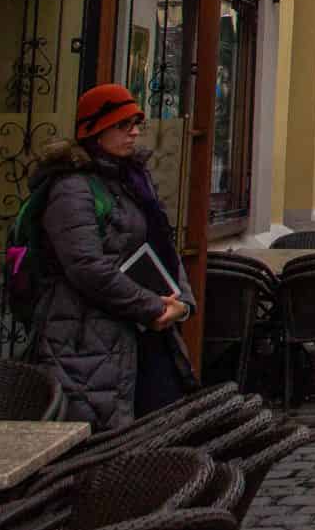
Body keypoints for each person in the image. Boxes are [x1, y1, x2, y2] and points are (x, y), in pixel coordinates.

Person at [22, 84, 195, 431]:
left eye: (136, 123)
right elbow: (86, 266)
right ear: (94, 130)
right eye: (122, 124)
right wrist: (152, 306)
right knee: (110, 439)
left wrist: (182, 303)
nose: (133, 132)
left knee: (162, 429)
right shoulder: (72, 187)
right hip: (87, 339)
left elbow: (162, 244)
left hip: (143, 331)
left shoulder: (131, 179)